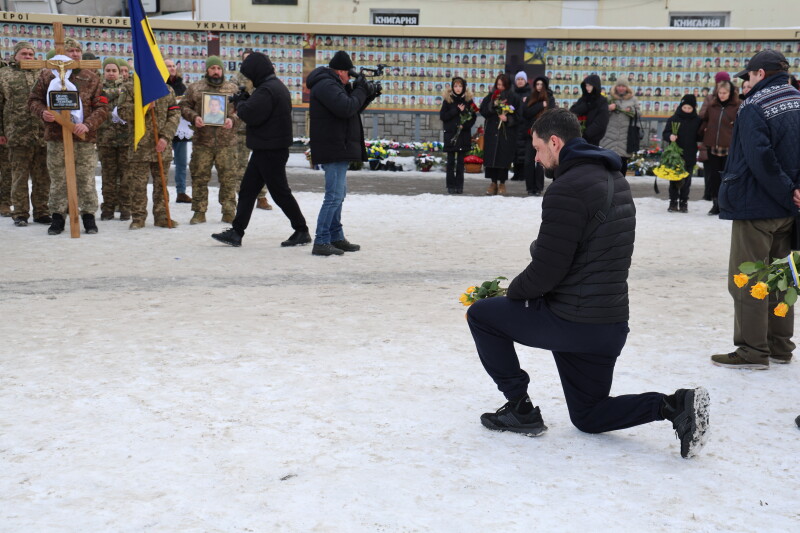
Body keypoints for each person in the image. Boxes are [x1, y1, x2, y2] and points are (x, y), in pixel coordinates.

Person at [466, 108, 710, 459]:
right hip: (608, 324)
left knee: (482, 316)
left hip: (573, 322)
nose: (536, 159)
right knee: (589, 415)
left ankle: (519, 408)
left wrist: (512, 294)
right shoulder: (615, 179)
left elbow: (546, 271)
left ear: (555, 142)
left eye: (537, 149)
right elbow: (588, 249)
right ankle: (673, 406)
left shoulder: (567, 188)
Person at [712, 50, 800, 370]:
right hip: (789, 210)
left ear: (760, 74)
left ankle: (752, 349)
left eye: (747, 76)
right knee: (781, 279)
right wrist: (794, 192)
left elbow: (760, 159)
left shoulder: (754, 106)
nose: (745, 82)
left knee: (748, 279)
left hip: (757, 205)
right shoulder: (798, 99)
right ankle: (780, 345)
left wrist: (785, 190)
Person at [211, 52, 310, 248]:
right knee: (248, 190)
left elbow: (250, 114)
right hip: (267, 147)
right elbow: (261, 110)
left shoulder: (267, 90)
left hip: (270, 150)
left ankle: (302, 230)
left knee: (280, 192)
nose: (249, 79)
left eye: (250, 74)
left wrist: (240, 102)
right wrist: (247, 98)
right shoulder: (274, 87)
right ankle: (236, 232)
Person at [28, 38, 108, 235]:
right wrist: (42, 112)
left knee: (86, 178)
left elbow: (103, 106)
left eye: (77, 50)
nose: (74, 54)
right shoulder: (48, 75)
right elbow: (34, 100)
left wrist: (87, 125)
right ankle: (57, 217)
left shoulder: (91, 76)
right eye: (70, 50)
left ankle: (88, 217)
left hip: (83, 138)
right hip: (56, 136)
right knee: (58, 178)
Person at [306, 50, 377, 256]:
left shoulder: (333, 84)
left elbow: (351, 108)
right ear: (340, 71)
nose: (349, 78)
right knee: (333, 196)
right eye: (349, 74)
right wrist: (361, 90)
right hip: (333, 146)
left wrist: (368, 94)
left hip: (338, 145)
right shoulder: (326, 85)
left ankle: (335, 236)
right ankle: (321, 240)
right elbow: (346, 107)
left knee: (339, 194)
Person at [180, 56, 240, 224]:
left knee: (228, 178)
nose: (216, 71)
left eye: (219, 68)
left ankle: (229, 211)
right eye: (213, 68)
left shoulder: (233, 89)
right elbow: (183, 106)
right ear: (207, 70)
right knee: (199, 177)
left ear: (223, 70)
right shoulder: (195, 88)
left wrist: (233, 119)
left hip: (227, 143)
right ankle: (199, 211)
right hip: (202, 142)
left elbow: (244, 109)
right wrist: (194, 117)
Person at [117, 77, 181, 229]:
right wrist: (142, 107)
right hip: (140, 146)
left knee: (162, 184)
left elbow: (174, 114)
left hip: (161, 145)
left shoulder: (167, 89)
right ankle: (138, 218)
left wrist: (165, 137)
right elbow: (122, 111)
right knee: (137, 185)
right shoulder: (130, 88)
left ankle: (162, 217)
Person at [0, 41, 50, 226]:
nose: (28, 57)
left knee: (42, 175)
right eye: (24, 54)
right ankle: (20, 213)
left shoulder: (43, 74)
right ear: (15, 56)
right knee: (19, 175)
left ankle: (42, 211)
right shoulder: (4, 75)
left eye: (31, 54)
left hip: (42, 133)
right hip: (17, 133)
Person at [232, 49, 272, 211]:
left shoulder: (263, 80)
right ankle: (242, 195)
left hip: (258, 128)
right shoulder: (236, 79)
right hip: (241, 129)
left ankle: (261, 197)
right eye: (246, 60)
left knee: (261, 166)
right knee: (240, 166)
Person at [697, 80, 739, 216]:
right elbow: (705, 119)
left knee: (727, 177)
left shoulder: (737, 105)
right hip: (713, 146)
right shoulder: (712, 105)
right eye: (720, 93)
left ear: (730, 93)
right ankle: (716, 204)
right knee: (714, 177)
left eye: (724, 93)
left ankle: (727, 204)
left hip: (729, 147)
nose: (722, 95)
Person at [96, 57, 127, 221]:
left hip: (125, 139)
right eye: (107, 70)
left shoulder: (127, 87)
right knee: (107, 176)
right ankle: (108, 208)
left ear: (120, 72)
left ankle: (125, 208)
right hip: (105, 139)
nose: (111, 73)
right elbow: (100, 98)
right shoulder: (98, 87)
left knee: (125, 176)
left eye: (114, 70)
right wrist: (118, 92)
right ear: (103, 72)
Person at [479, 73, 520, 196]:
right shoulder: (492, 96)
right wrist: (493, 106)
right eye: (498, 84)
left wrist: (508, 119)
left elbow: (519, 116)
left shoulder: (514, 97)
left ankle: (502, 183)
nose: (500, 87)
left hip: (506, 133)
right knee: (492, 157)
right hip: (492, 131)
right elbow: (483, 110)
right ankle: (493, 183)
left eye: (503, 85)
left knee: (503, 157)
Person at [662, 95, 701, 213]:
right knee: (674, 180)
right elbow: (665, 133)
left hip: (689, 155)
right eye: (685, 107)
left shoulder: (697, 120)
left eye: (690, 108)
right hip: (675, 156)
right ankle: (673, 202)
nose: (687, 110)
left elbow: (699, 136)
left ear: (693, 108)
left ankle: (684, 202)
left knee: (686, 181)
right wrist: (670, 136)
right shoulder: (673, 119)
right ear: (681, 106)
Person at [439, 76, 476, 194]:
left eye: (460, 86)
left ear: (464, 87)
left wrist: (464, 126)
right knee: (450, 162)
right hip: (450, 135)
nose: (458, 88)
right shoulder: (448, 100)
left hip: (463, 135)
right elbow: (443, 116)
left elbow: (473, 117)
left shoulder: (468, 101)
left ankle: (459, 186)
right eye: (455, 86)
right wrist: (456, 110)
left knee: (460, 162)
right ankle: (450, 185)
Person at [521, 76, 555, 196]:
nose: (539, 86)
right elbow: (526, 113)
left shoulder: (550, 98)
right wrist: (540, 105)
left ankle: (539, 187)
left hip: (543, 135)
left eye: (541, 84)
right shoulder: (531, 97)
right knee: (528, 162)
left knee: (541, 162)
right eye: (537, 84)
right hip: (530, 134)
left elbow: (550, 115)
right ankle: (530, 188)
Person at [165, 58, 192, 204]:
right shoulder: (159, 85)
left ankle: (181, 192)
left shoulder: (182, 86)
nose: (171, 68)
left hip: (180, 128)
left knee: (181, 162)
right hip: (165, 128)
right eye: (168, 66)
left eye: (173, 65)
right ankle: (162, 192)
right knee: (164, 163)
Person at [600, 80, 639, 173]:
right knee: (608, 165)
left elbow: (639, 113)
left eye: (623, 86)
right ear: (616, 87)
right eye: (619, 86)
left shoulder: (633, 99)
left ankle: (621, 186)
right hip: (609, 136)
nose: (621, 88)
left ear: (627, 88)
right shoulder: (609, 98)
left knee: (622, 165)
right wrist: (608, 108)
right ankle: (608, 186)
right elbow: (600, 113)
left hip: (625, 137)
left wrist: (631, 110)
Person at [569, 74, 609, 146]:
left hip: (593, 140)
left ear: (595, 86)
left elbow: (601, 122)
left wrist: (586, 134)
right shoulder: (583, 99)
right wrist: (585, 106)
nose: (587, 88)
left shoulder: (602, 101)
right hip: (578, 138)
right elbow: (572, 112)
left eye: (590, 85)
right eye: (586, 85)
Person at [511, 71, 531, 181]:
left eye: (522, 79)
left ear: (525, 81)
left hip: (525, 126)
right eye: (518, 79)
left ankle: (523, 174)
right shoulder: (512, 92)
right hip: (514, 125)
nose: (520, 81)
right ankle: (516, 173)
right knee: (515, 150)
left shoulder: (530, 94)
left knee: (523, 151)